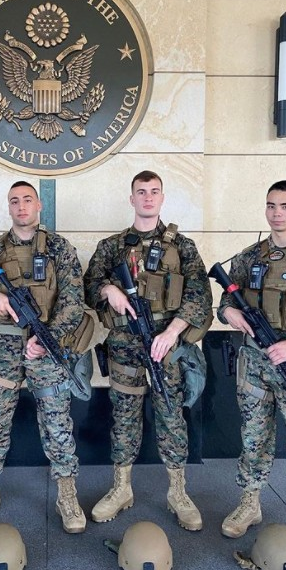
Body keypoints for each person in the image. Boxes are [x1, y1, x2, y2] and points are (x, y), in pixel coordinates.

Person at [0, 181, 89, 534]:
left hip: (46, 346)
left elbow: (74, 301)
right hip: (2, 348)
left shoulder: (59, 248)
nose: (21, 206)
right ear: (9, 207)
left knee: (57, 422)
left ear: (39, 205)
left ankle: (67, 493)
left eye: (28, 200)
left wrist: (48, 339)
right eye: (14, 201)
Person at [84, 170, 212, 530]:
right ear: (132, 199)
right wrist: (108, 290)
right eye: (141, 192)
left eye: (154, 191)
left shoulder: (182, 246)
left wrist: (172, 332)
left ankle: (178, 492)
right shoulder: (111, 246)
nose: (148, 197)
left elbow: (200, 295)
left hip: (165, 347)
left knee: (171, 415)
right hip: (125, 346)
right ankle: (121, 488)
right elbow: (89, 285)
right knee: (124, 418)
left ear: (162, 198)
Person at [217, 180, 286, 557]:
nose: (277, 213)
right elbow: (225, 301)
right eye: (271, 205)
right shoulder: (249, 257)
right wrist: (227, 312)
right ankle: (250, 504)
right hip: (256, 368)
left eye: (285, 206)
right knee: (254, 438)